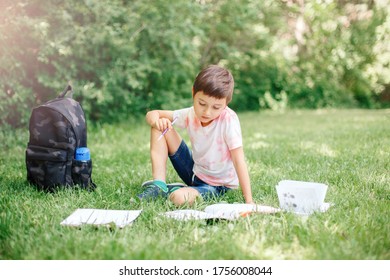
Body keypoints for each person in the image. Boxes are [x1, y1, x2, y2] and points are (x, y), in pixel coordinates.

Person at [137, 65, 254, 206]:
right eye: (202, 103)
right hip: (194, 173)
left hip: (218, 186)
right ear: (193, 93)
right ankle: (159, 185)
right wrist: (157, 121)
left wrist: (249, 201)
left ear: (226, 103)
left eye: (216, 107)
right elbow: (152, 114)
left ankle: (181, 190)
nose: (207, 112)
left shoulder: (228, 120)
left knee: (179, 198)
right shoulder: (191, 113)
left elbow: (238, 160)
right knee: (160, 126)